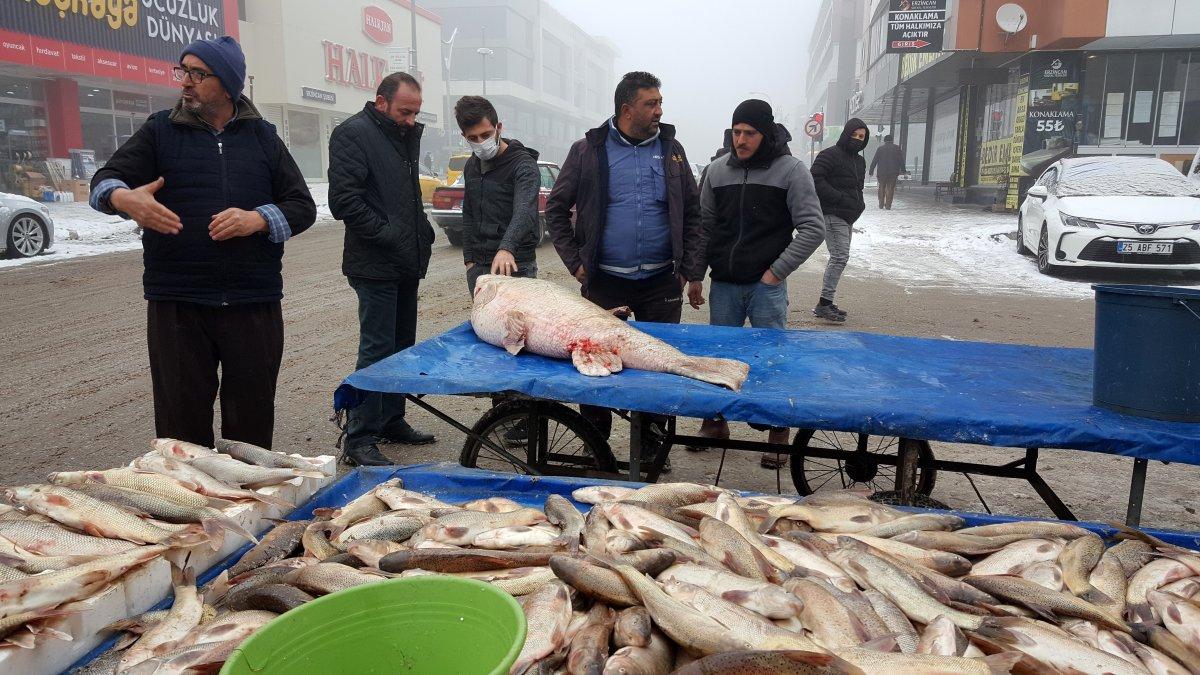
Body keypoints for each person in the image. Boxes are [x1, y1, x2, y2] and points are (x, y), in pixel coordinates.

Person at [89, 36, 316, 450]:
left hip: (253, 302)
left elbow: (302, 206)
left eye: (198, 73)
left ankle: (247, 492)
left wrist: (257, 219)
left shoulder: (263, 137)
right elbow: (104, 179)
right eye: (183, 71)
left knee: (251, 428)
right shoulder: (160, 131)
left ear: (227, 85)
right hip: (178, 302)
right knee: (181, 429)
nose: (185, 82)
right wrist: (122, 198)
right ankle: (188, 493)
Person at [546, 71, 705, 462]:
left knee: (659, 367)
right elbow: (556, 208)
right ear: (626, 108)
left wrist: (687, 269)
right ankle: (594, 442)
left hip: (661, 282)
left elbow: (693, 212)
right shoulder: (588, 150)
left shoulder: (672, 150)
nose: (659, 111)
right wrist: (576, 263)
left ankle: (652, 447)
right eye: (651, 104)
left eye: (660, 102)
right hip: (604, 281)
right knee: (595, 362)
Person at [697, 99, 826, 468]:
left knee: (772, 360)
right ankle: (715, 422)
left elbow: (813, 227)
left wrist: (776, 272)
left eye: (749, 133)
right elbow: (705, 227)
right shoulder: (716, 171)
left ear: (765, 134)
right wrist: (695, 274)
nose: (741, 140)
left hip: (766, 286)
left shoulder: (791, 171)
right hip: (724, 284)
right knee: (718, 358)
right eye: (736, 132)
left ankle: (777, 434)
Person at [328, 72, 437, 466]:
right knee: (376, 351)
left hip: (405, 259)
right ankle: (358, 438)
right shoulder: (353, 134)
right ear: (381, 102)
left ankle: (391, 419)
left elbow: (404, 196)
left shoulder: (400, 134)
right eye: (405, 111)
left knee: (402, 346)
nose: (411, 119)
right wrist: (389, 234)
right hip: (374, 263)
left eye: (416, 113)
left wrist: (420, 231)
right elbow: (344, 201)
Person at [454, 95, 541, 295]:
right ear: (464, 136)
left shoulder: (523, 165)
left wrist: (507, 248)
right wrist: (469, 261)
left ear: (498, 127)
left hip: (516, 265)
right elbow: (469, 214)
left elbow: (525, 211)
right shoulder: (471, 166)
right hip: (479, 268)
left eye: (486, 135)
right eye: (473, 138)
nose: (481, 142)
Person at [810, 119, 869, 323]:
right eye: (854, 135)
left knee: (839, 258)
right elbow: (814, 179)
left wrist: (859, 205)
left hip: (849, 215)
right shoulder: (829, 155)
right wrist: (839, 198)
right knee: (839, 257)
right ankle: (824, 304)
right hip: (832, 213)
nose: (857, 139)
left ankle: (827, 302)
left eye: (861, 137)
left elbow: (858, 187)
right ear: (846, 134)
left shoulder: (860, 161)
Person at [870, 134, 905, 210]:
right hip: (893, 172)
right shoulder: (897, 148)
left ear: (884, 141)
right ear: (892, 140)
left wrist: (871, 170)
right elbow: (901, 160)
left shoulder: (880, 149)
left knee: (881, 187)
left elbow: (875, 160)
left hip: (881, 172)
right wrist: (903, 170)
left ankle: (881, 204)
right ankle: (888, 205)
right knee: (890, 188)